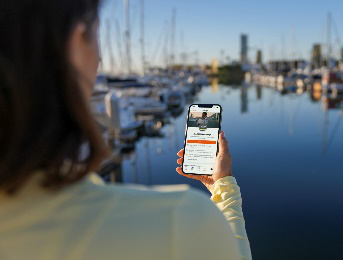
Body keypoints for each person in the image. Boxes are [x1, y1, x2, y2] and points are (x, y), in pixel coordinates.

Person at [0, 0, 252, 259]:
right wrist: (225, 188)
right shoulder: (180, 220)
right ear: (76, 44)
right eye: (96, 34)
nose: (99, 58)